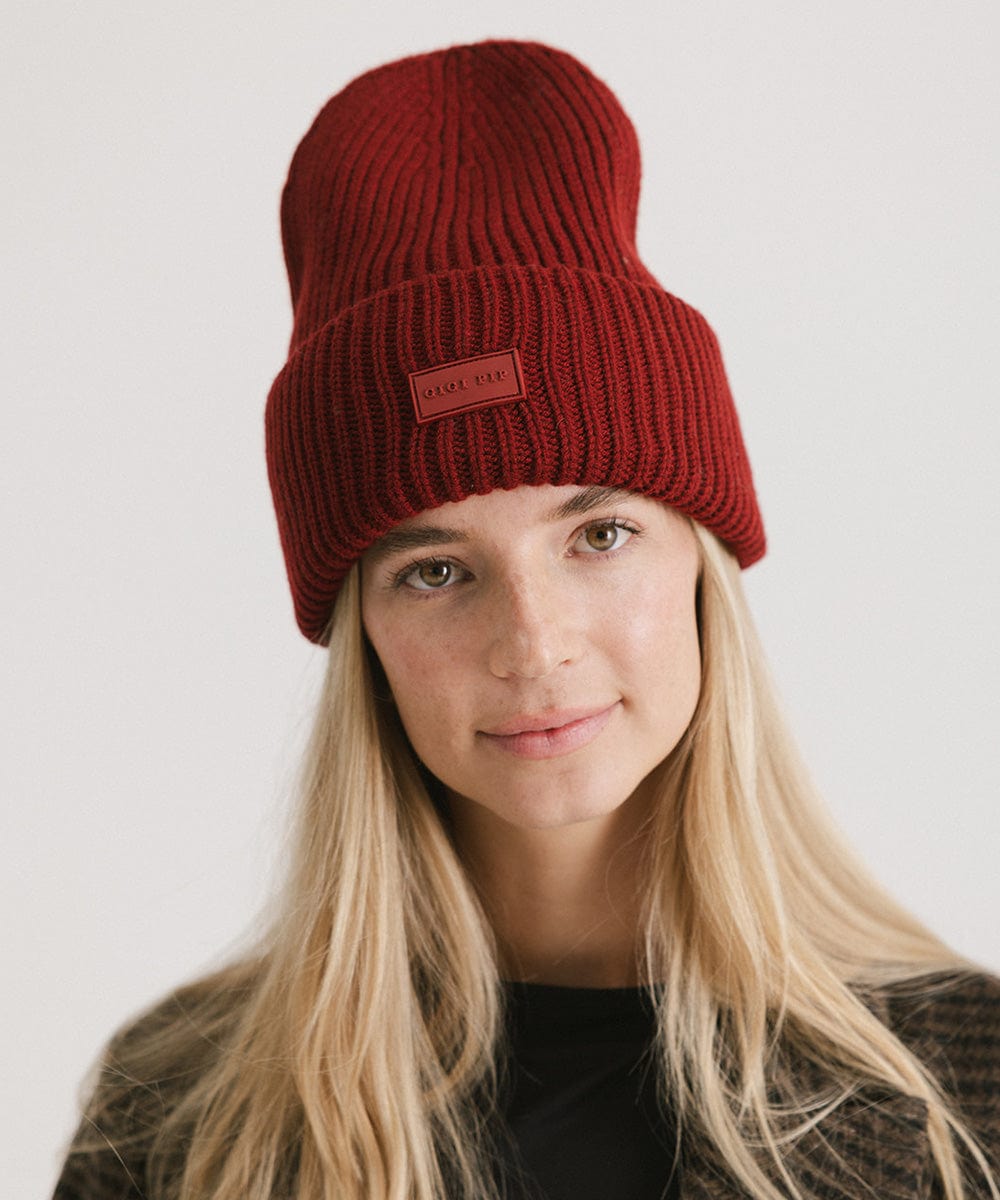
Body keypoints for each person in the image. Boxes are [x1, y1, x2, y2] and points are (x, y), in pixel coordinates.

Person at [53, 38, 999, 1200]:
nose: (533, 643)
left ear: (702, 573)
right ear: (368, 643)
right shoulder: (176, 1112)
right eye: (436, 572)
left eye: (598, 537)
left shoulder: (965, 1088)